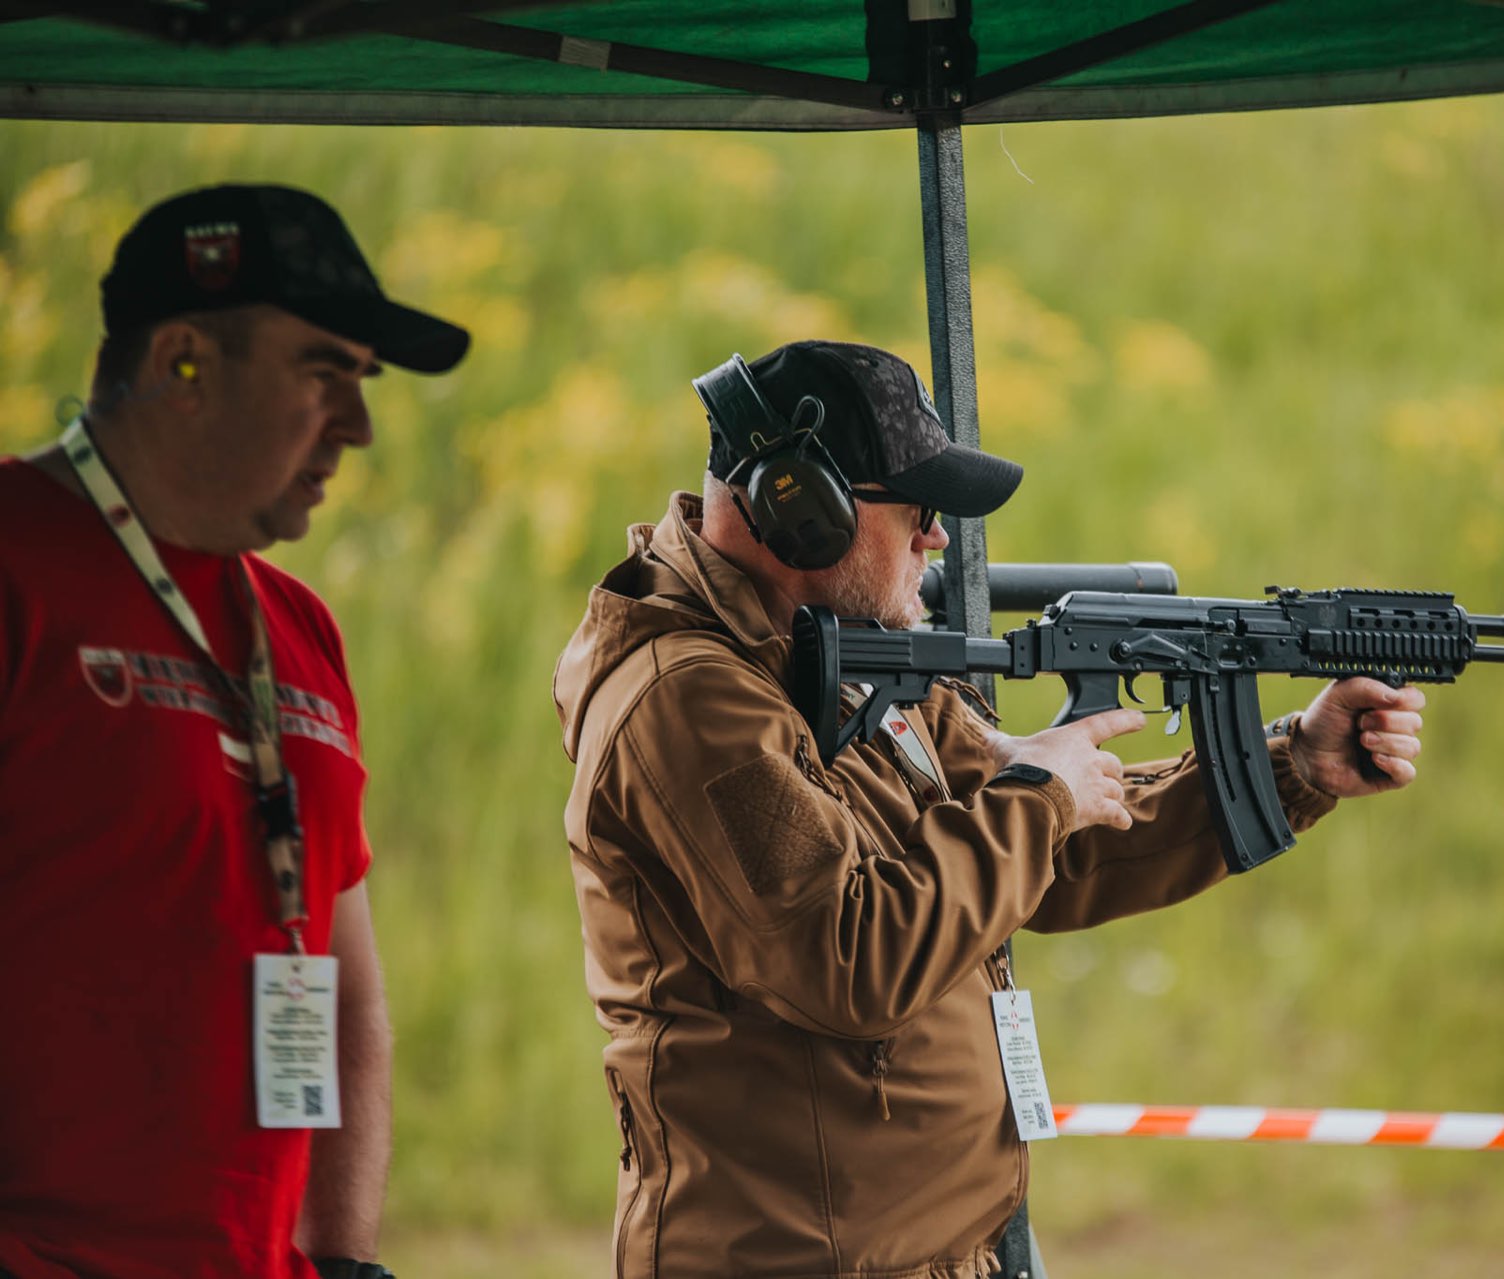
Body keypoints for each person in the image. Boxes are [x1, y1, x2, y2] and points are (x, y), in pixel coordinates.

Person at [554, 340, 1426, 1279]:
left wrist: (1294, 766)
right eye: (918, 509)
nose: (936, 540)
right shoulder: (688, 702)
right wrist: (1038, 798)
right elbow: (846, 955)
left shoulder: (833, 652)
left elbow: (1043, 852)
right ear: (803, 511)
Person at [0, 184, 468, 1279]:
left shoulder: (297, 628)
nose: (357, 426)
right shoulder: (15, 560)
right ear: (182, 362)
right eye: (322, 374)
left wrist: (343, 1257)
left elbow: (344, 987)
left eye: (362, 383)